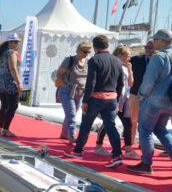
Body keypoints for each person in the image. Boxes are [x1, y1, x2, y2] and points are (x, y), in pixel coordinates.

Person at [127, 29, 172, 177]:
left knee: (145, 130)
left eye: (155, 40)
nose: (153, 43)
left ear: (162, 40)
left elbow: (149, 81)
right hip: (171, 101)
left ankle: (146, 163)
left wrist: (141, 95)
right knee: (161, 129)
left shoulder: (159, 57)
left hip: (154, 101)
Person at [64, 35, 125, 167]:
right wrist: (117, 99)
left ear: (95, 47)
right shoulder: (117, 61)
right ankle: (117, 155)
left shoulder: (94, 60)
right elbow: (121, 84)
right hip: (112, 98)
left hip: (96, 98)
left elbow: (91, 82)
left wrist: (85, 100)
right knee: (111, 126)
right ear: (107, 45)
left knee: (86, 125)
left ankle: (78, 151)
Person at [94, 44, 135, 155]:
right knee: (109, 122)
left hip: (124, 99)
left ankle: (128, 148)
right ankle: (98, 145)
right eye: (127, 56)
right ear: (119, 55)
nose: (129, 59)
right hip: (115, 98)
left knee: (128, 124)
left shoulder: (126, 68)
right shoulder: (114, 66)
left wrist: (130, 70)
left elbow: (130, 83)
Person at [55, 42, 91, 141]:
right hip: (67, 91)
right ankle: (72, 135)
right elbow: (59, 74)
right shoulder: (69, 60)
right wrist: (64, 84)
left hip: (80, 92)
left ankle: (64, 133)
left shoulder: (88, 62)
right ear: (78, 50)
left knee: (71, 113)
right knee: (71, 113)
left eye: (89, 52)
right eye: (85, 51)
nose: (86, 54)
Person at [0, 32, 22, 138]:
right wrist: (19, 83)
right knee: (13, 105)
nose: (17, 44)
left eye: (17, 42)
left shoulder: (1, 53)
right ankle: (5, 129)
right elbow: (13, 69)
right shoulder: (11, 53)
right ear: (9, 42)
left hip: (1, 81)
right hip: (9, 82)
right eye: (15, 42)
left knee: (4, 106)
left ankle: (2, 128)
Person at [128, 38, 156, 144]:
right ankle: (130, 141)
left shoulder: (159, 61)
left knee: (146, 122)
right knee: (132, 119)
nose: (148, 50)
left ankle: (143, 143)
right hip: (135, 94)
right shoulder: (136, 60)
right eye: (146, 47)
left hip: (151, 96)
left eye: (150, 47)